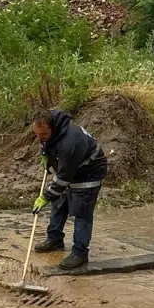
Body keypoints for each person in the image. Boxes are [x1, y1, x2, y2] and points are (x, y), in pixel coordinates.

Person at [29, 109, 108, 270]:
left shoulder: (71, 142)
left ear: (53, 128)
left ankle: (80, 253)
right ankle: (55, 239)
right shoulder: (49, 125)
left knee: (81, 212)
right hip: (70, 167)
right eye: (37, 135)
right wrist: (46, 154)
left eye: (43, 135)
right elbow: (47, 142)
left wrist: (45, 196)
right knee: (59, 202)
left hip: (89, 173)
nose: (40, 138)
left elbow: (63, 177)